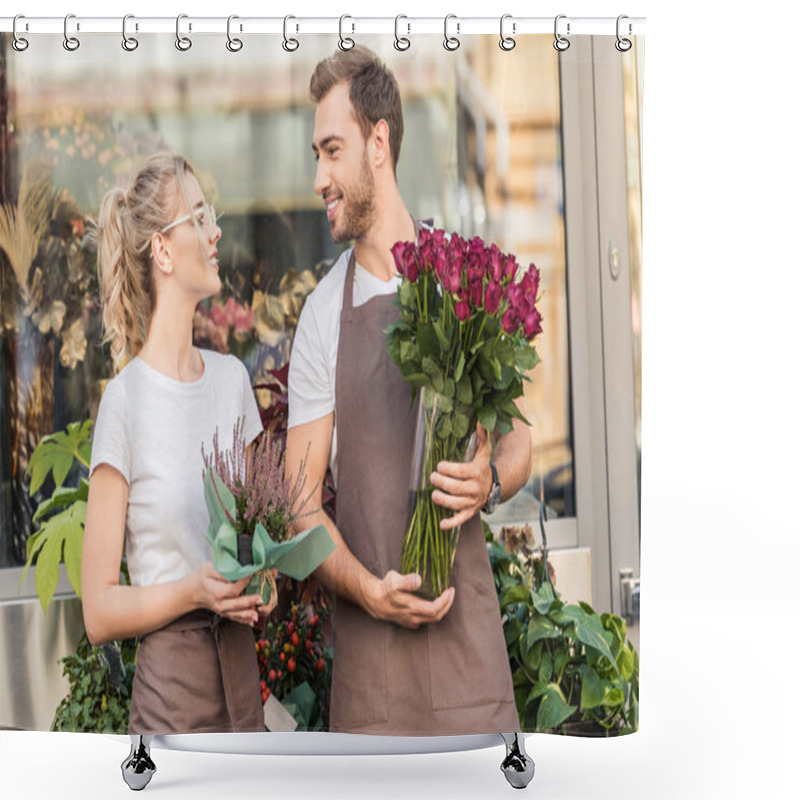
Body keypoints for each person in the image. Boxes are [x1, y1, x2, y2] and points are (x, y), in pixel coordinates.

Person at [284, 46, 532, 735]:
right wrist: (369, 591)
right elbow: (300, 505)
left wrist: (489, 481)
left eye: (332, 151)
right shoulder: (322, 315)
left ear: (379, 143)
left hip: (469, 660)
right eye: (316, 154)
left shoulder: (464, 280)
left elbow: (520, 445)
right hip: (373, 676)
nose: (318, 177)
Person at [82, 152, 265, 734]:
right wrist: (193, 590)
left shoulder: (233, 382)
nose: (215, 233)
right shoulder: (125, 402)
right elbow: (98, 610)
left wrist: (262, 582)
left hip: (243, 686)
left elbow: (268, 568)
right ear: (162, 249)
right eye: (200, 217)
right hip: (171, 705)